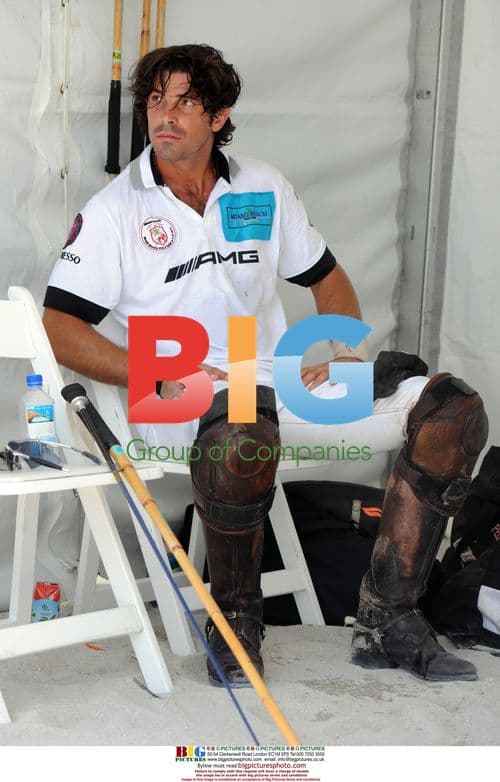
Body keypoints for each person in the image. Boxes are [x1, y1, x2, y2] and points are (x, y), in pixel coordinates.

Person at [43, 44, 488, 688]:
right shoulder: (116, 211)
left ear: (220, 116)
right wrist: (156, 373)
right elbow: (59, 326)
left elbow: (327, 279)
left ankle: (387, 616)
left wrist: (342, 354)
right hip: (176, 393)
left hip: (272, 383)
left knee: (450, 408)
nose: (165, 116)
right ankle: (236, 621)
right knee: (241, 427)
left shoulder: (262, 187)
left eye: (186, 103)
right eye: (156, 101)